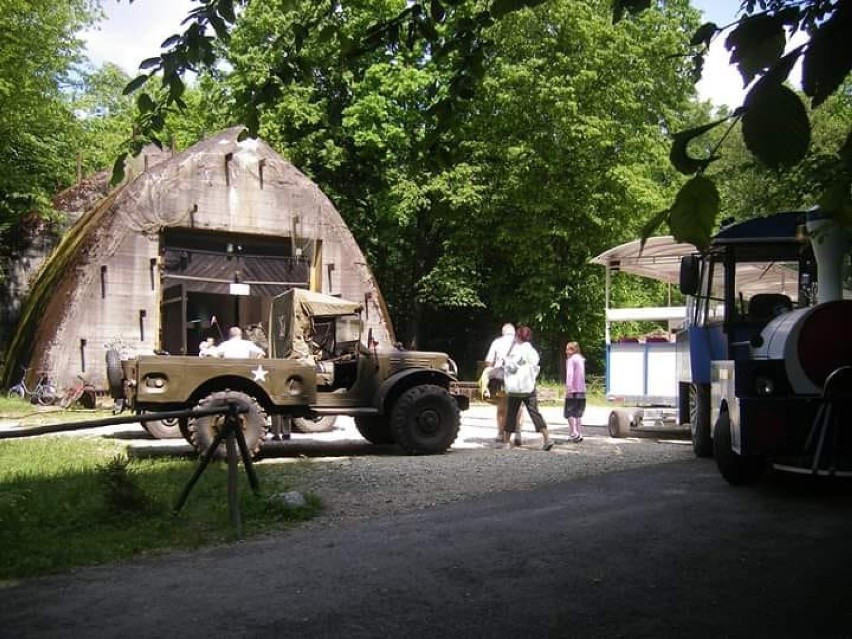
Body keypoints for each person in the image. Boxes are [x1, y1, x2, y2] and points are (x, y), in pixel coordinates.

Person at [502, 325, 553, 451]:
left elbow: (512, 367)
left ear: (518, 336)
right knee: (534, 412)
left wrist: (505, 361)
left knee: (511, 414)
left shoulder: (516, 350)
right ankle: (547, 438)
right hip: (529, 386)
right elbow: (536, 366)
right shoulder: (532, 351)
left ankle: (506, 442)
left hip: (515, 388)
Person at [482, 323, 520, 444]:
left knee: (502, 408)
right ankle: (518, 434)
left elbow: (488, 361)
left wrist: (491, 371)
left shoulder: (497, 342)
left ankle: (500, 433)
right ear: (514, 332)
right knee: (518, 407)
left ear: (503, 332)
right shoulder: (521, 343)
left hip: (501, 380)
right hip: (518, 380)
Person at [564, 341, 587, 442]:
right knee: (578, 413)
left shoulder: (571, 360)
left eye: (568, 349)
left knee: (569, 413)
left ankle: (574, 432)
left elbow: (570, 374)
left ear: (573, 350)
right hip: (582, 390)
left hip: (573, 390)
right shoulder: (581, 359)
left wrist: (568, 387)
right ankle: (580, 433)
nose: (566, 351)